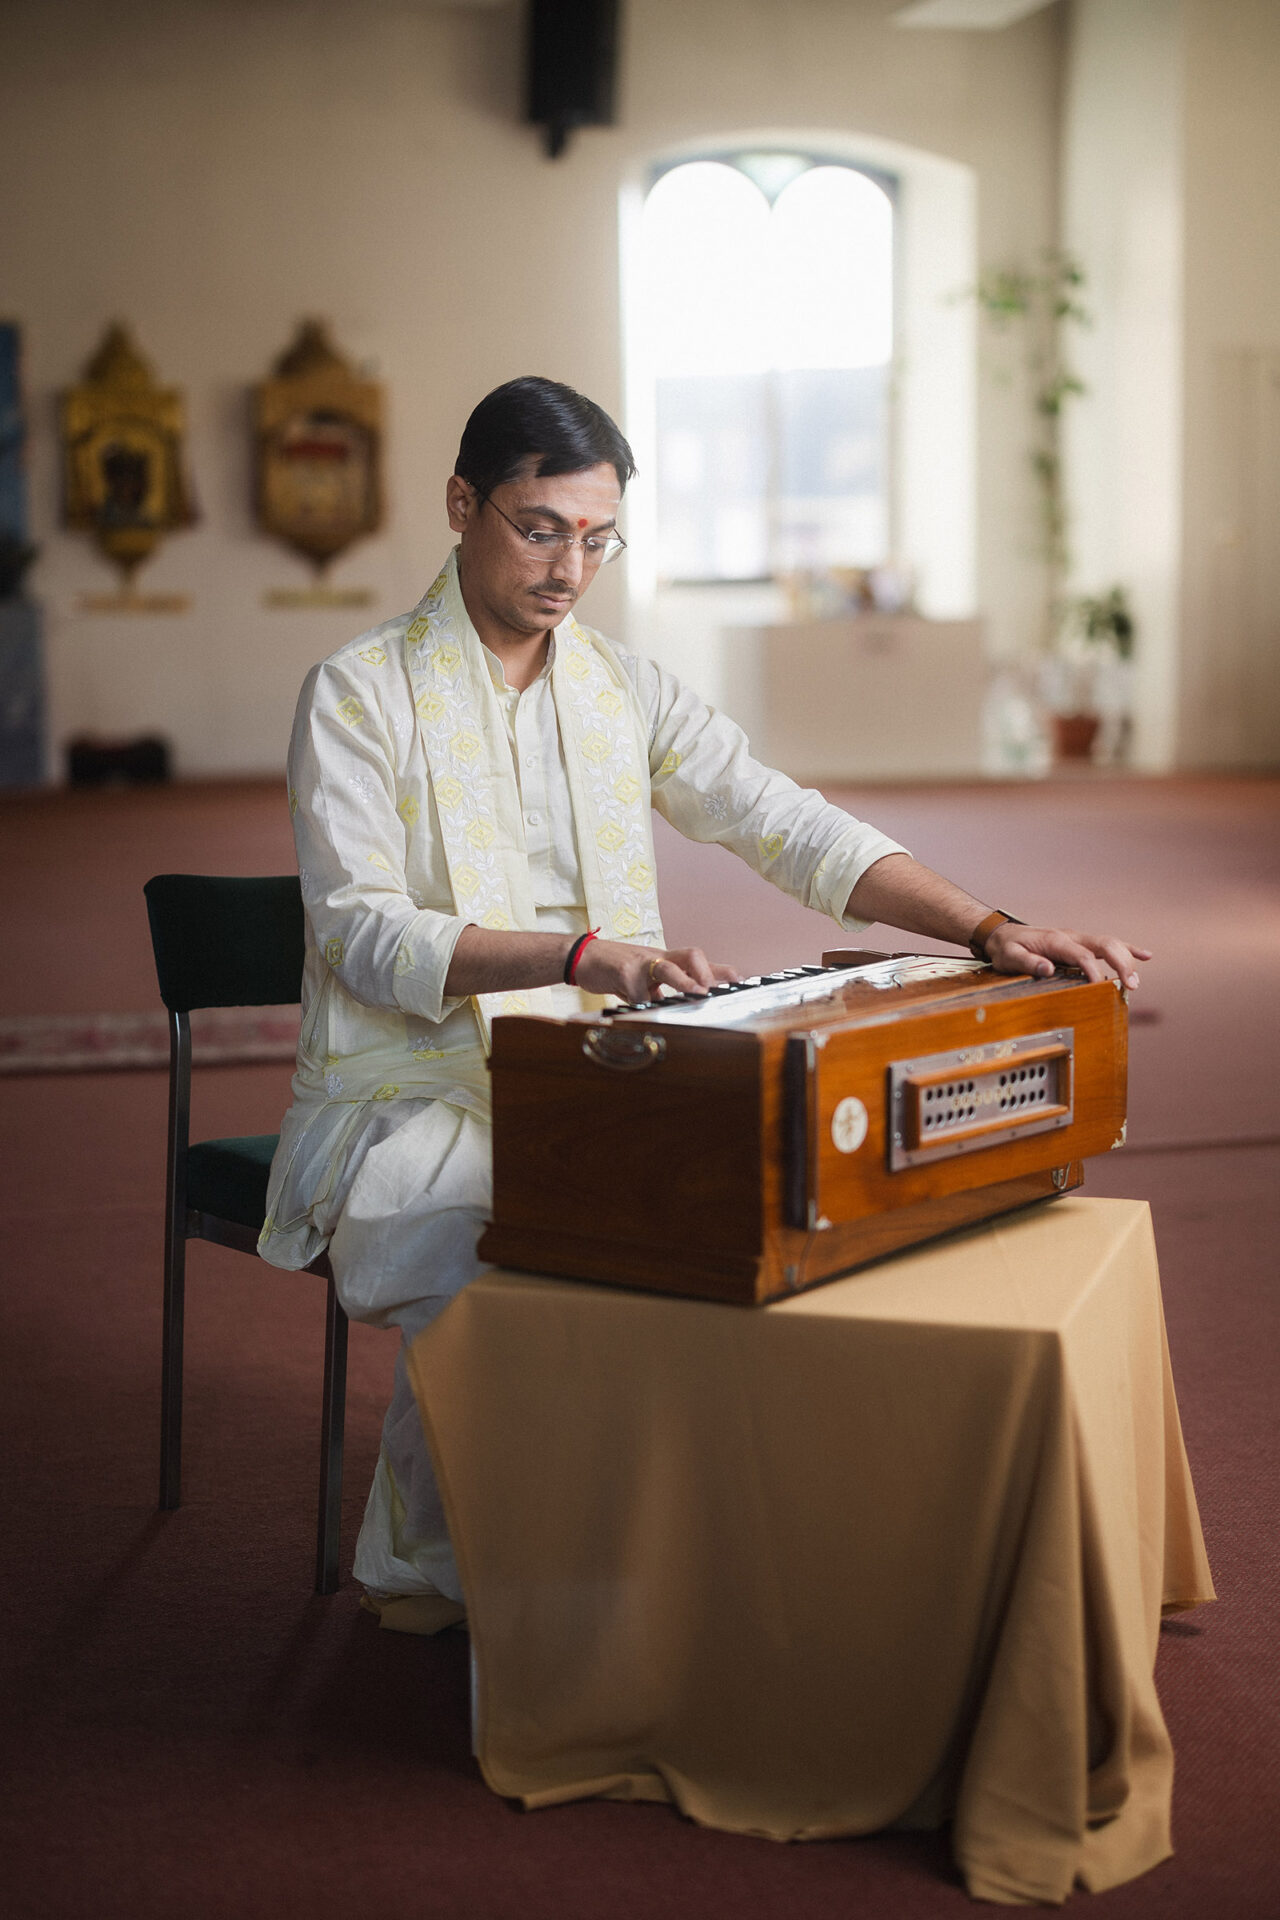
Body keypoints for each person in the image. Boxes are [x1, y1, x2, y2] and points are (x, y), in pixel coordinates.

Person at [259, 376, 1148, 1632]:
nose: (571, 567)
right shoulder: (357, 692)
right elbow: (357, 932)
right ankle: (482, 1569)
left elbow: (778, 818)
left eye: (596, 536)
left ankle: (659, 1566)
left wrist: (987, 927)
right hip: (398, 1097)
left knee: (724, 1207)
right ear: (460, 505)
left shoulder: (622, 688)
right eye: (537, 527)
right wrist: (576, 957)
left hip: (604, 1073)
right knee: (515, 1240)